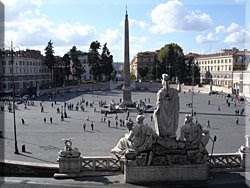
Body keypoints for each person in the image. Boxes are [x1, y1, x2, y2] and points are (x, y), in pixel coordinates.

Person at [153, 73, 181, 139]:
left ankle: (162, 133)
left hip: (163, 112)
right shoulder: (173, 91)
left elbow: (159, 104)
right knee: (170, 122)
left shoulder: (160, 92)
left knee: (160, 119)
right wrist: (178, 83)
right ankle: (171, 133)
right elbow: (179, 90)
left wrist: (156, 111)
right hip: (171, 112)